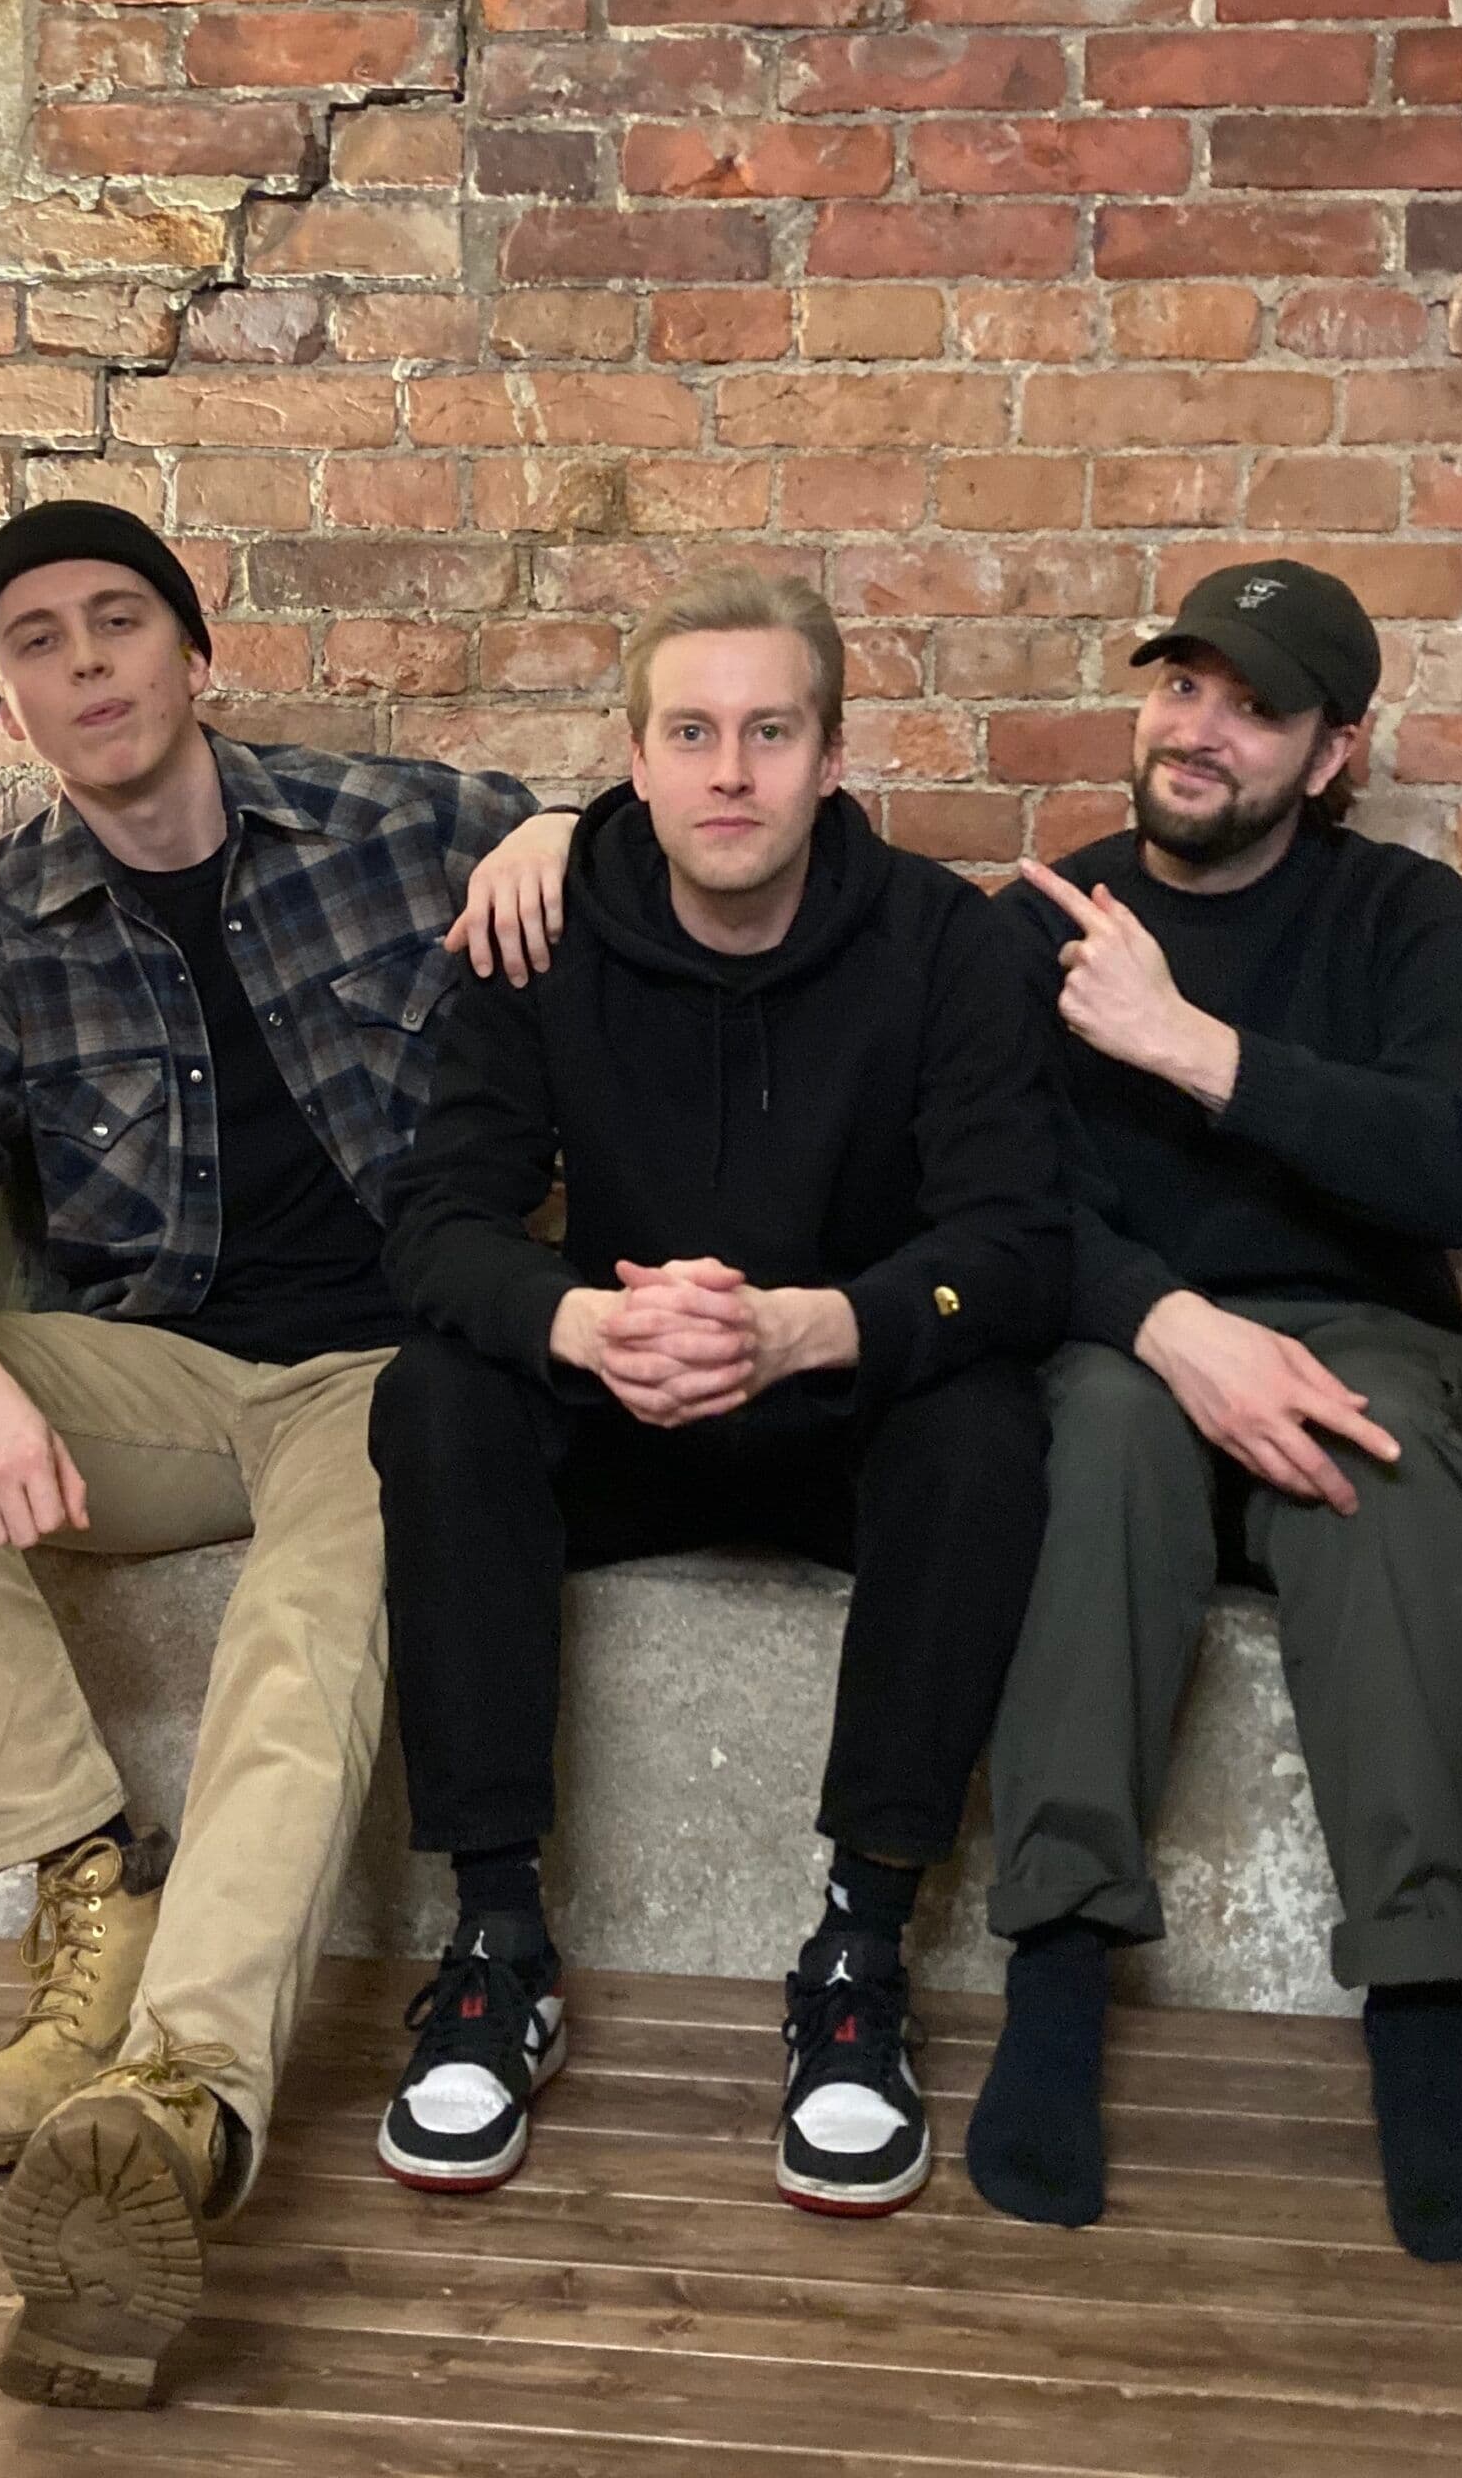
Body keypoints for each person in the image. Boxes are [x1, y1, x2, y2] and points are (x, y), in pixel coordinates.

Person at [0, 499, 575, 2408]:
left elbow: (670, 829)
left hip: (392, 1375)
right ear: (9, 709)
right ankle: (88, 1883)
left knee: (304, 1637)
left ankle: (177, 2092)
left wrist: (573, 824)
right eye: (36, 644)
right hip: (167, 1383)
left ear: (194, 654)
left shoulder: (391, 826)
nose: (86, 665)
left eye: (118, 622)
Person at [365, 565, 1077, 2220]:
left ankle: (860, 1956)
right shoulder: (542, 936)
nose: (732, 773)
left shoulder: (945, 944)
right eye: (691, 734)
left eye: (771, 733)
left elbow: (1016, 1244)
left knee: (985, 1426)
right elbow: (438, 1221)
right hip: (626, 1404)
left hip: (833, 1409)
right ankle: (497, 1943)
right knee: (439, 1395)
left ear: (832, 758)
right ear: (635, 758)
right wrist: (581, 1327)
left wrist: (810, 1326)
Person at [973, 558, 1462, 2267]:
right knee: (1092, 1442)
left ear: (1334, 750)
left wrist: (1189, 1046)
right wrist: (1172, 1327)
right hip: (1128, 1337)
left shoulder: (1408, 918)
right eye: (1181, 687)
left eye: (1255, 706)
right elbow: (993, 1203)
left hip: (1360, 1333)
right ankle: (1058, 1976)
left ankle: (1421, 2009)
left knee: (1389, 1467)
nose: (1200, 731)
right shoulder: (1038, 924)